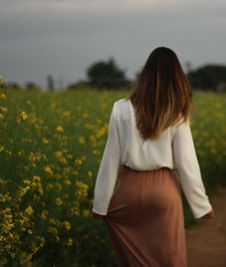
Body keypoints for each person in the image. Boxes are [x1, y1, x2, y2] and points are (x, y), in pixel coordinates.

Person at [91, 46, 214, 267]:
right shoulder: (177, 112)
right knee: (169, 259)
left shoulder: (120, 108)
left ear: (144, 74)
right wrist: (201, 205)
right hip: (163, 192)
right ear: (177, 77)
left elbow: (110, 159)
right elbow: (187, 163)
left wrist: (100, 204)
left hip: (127, 190)